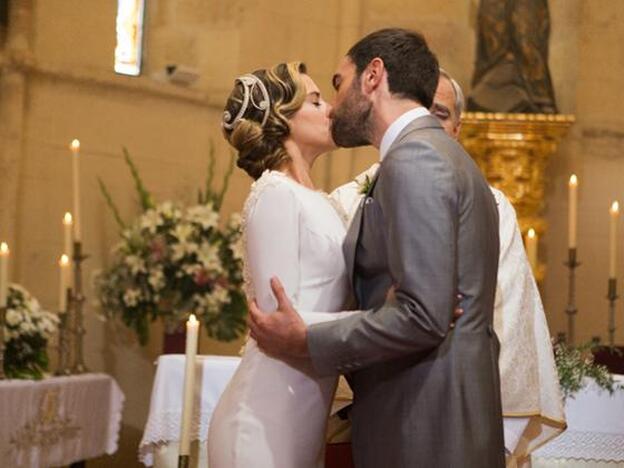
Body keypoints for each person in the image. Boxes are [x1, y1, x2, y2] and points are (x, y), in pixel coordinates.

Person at [248, 28, 505, 467]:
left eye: (338, 82)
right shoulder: (436, 154)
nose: (334, 103)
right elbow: (428, 306)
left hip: (425, 425)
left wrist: (306, 339)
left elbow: (423, 316)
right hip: (436, 416)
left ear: (372, 77)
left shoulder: (416, 159)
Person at [332, 68, 566, 467]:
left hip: (451, 413)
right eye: (418, 109)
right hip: (364, 409)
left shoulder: (490, 206)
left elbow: (507, 316)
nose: (423, 121)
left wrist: (498, 438)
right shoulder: (349, 200)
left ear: (457, 129)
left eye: (438, 113)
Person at [207, 62, 360, 468]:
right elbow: (279, 318)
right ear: (281, 118)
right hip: (262, 421)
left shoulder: (321, 201)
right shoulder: (274, 192)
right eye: (314, 100)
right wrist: (383, 319)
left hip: (303, 418)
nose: (329, 109)